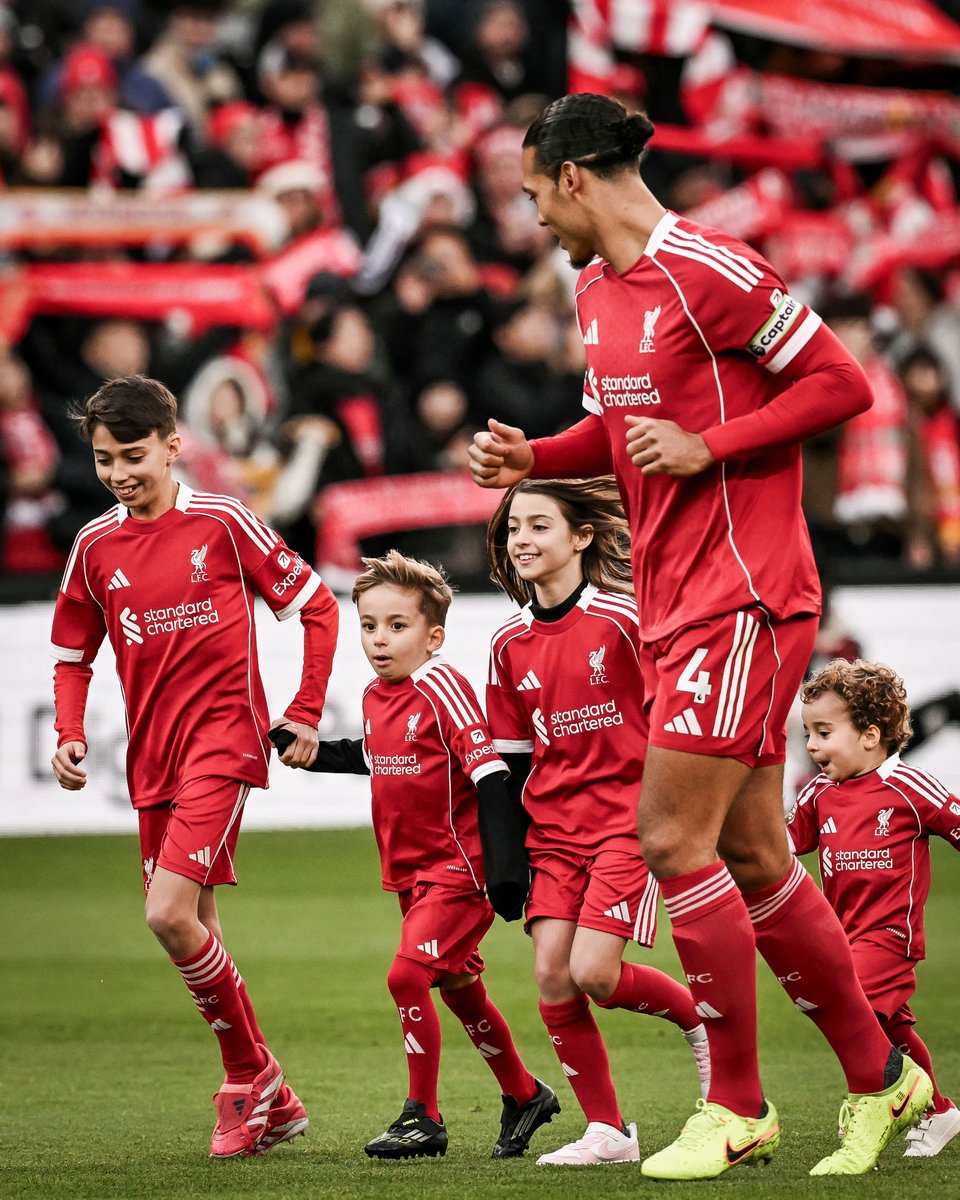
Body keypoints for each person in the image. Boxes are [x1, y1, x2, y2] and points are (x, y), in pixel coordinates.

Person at [467, 92, 933, 1179]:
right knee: (757, 855)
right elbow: (620, 429)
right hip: (676, 603)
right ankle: (885, 1078)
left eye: (536, 192)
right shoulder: (592, 289)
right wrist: (536, 458)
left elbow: (841, 382)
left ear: (575, 178)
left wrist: (710, 443)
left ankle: (736, 1104)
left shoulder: (710, 269)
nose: (534, 214)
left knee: (671, 842)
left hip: (746, 594)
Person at [49, 375, 339, 1158]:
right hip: (152, 756)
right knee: (195, 928)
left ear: (174, 446)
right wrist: (69, 731)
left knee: (168, 915)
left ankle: (247, 1082)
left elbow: (317, 604)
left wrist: (305, 709)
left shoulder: (224, 521)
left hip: (224, 742)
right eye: (106, 459)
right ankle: (265, 1092)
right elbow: (72, 653)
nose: (118, 473)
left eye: (134, 455)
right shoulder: (94, 545)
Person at [271, 549, 559, 1160]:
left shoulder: (442, 685)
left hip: (461, 870)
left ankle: (421, 1116)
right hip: (413, 874)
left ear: (434, 637)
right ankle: (524, 1092)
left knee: (406, 976)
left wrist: (507, 871)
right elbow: (380, 758)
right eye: (369, 625)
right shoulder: (381, 695)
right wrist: (313, 750)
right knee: (457, 987)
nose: (380, 639)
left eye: (396, 626)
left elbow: (489, 774)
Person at [484, 477, 710, 1165]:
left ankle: (702, 1022)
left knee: (595, 975)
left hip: (624, 826)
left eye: (538, 526)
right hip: (552, 835)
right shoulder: (506, 644)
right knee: (553, 977)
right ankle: (608, 1131)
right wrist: (508, 858)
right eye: (513, 528)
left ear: (581, 537)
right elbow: (513, 763)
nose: (521, 539)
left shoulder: (623, 623)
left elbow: (676, 725)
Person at [793, 659, 960, 1158]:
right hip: (839, 935)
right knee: (891, 1029)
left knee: (849, 1009)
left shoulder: (910, 788)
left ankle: (869, 1100)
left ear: (870, 735)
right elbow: (781, 847)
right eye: (807, 733)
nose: (811, 746)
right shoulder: (818, 793)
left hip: (890, 936)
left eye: (824, 732)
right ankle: (939, 1112)